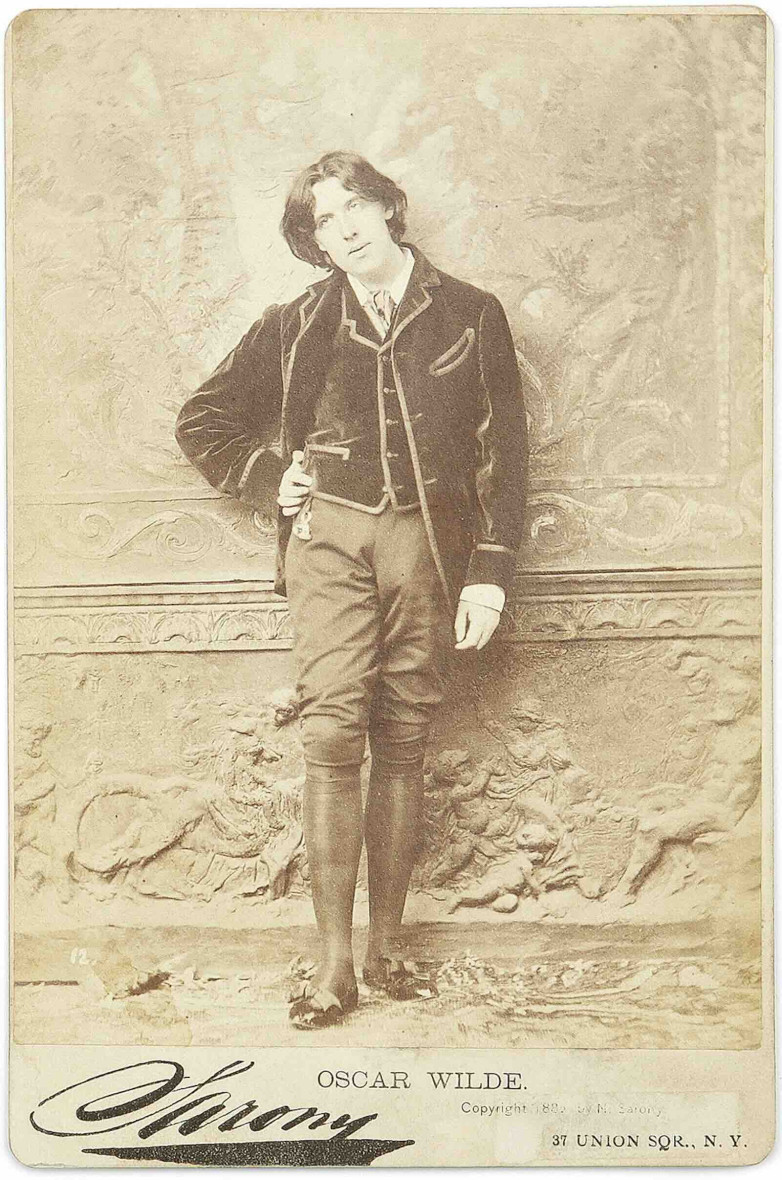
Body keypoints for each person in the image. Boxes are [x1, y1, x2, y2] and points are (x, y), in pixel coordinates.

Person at [175, 150, 528, 1028]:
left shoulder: (471, 313)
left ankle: (389, 950)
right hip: (327, 541)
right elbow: (204, 420)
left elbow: (506, 455)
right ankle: (334, 966)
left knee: (403, 734)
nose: (345, 229)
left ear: (388, 209)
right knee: (332, 732)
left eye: (354, 207)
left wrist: (488, 576)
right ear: (316, 243)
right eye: (324, 222)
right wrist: (272, 479)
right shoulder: (297, 322)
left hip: (429, 547)